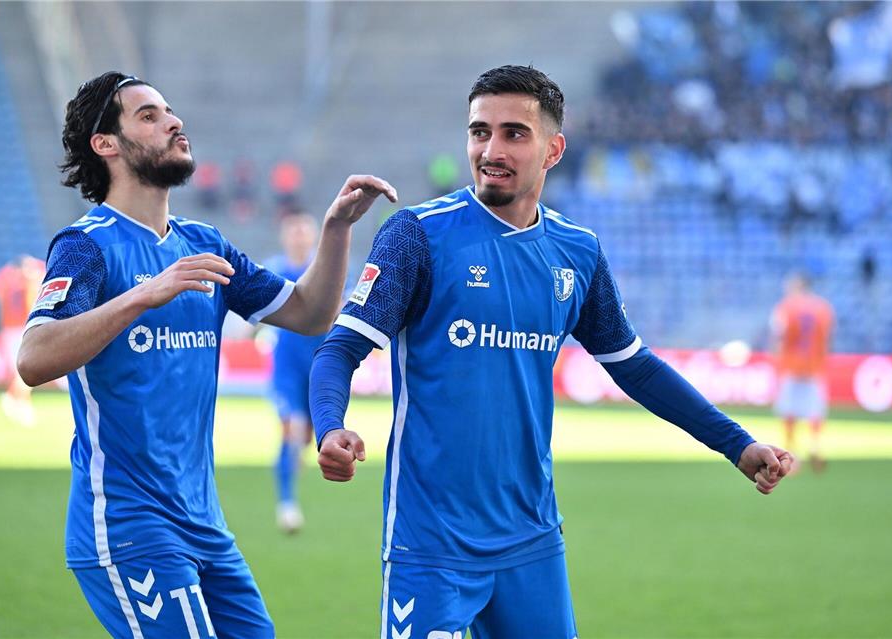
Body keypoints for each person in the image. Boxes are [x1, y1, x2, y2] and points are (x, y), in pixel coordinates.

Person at [309, 65, 794, 638]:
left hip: (532, 541)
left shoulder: (577, 252)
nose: (491, 148)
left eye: (514, 133)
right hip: (432, 543)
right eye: (479, 131)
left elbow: (635, 368)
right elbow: (338, 350)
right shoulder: (417, 234)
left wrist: (736, 444)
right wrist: (329, 426)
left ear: (553, 149)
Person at [16, 71, 396, 639]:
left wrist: (336, 229)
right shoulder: (87, 245)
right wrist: (145, 293)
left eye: (170, 111)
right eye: (149, 115)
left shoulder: (205, 245)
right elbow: (32, 357)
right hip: (128, 523)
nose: (174, 122)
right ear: (106, 144)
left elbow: (311, 314)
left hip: (204, 524)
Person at [265, 212, 325, 533]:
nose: (300, 236)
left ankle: (293, 465)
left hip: (320, 368)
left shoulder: (327, 270)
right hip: (286, 366)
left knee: (306, 438)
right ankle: (287, 504)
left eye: (305, 230)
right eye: (294, 230)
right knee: (292, 430)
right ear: (285, 236)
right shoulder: (274, 271)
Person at [770, 273, 835, 473]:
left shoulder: (786, 307)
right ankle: (815, 446)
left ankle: (791, 454)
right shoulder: (824, 308)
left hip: (791, 366)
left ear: (797, 286)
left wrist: (777, 360)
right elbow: (828, 338)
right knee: (814, 410)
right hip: (814, 367)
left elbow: (779, 335)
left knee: (789, 411)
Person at [0, 254, 46, 426]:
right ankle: (12, 398)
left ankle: (22, 403)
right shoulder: (28, 282)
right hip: (21, 328)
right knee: (24, 370)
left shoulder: (7, 280)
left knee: (20, 369)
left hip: (8, 328)